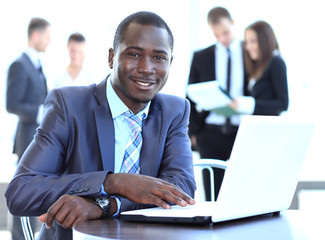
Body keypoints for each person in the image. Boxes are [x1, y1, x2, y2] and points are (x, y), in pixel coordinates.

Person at [5, 11, 196, 240]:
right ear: (112, 58)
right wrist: (112, 182)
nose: (147, 68)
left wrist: (106, 205)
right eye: (134, 54)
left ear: (170, 63)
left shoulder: (175, 111)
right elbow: (21, 192)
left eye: (159, 57)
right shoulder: (68, 105)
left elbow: (181, 190)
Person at [187, 7, 248, 200]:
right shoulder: (201, 57)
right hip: (211, 132)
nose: (222, 39)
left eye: (225, 33)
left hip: (244, 131)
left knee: (244, 192)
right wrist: (194, 132)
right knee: (213, 195)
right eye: (216, 35)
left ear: (232, 23)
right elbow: (190, 94)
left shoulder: (250, 52)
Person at [6, 17, 51, 240]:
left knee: (33, 189)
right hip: (26, 138)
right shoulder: (19, 64)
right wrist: (40, 112)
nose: (48, 42)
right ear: (36, 35)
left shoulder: (37, 64)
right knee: (23, 190)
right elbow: (11, 104)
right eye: (47, 37)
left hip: (38, 138)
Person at [228, 20, 288, 115]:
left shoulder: (276, 62)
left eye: (253, 41)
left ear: (264, 40)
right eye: (247, 42)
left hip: (268, 125)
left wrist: (251, 105)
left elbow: (283, 103)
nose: (248, 47)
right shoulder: (256, 65)